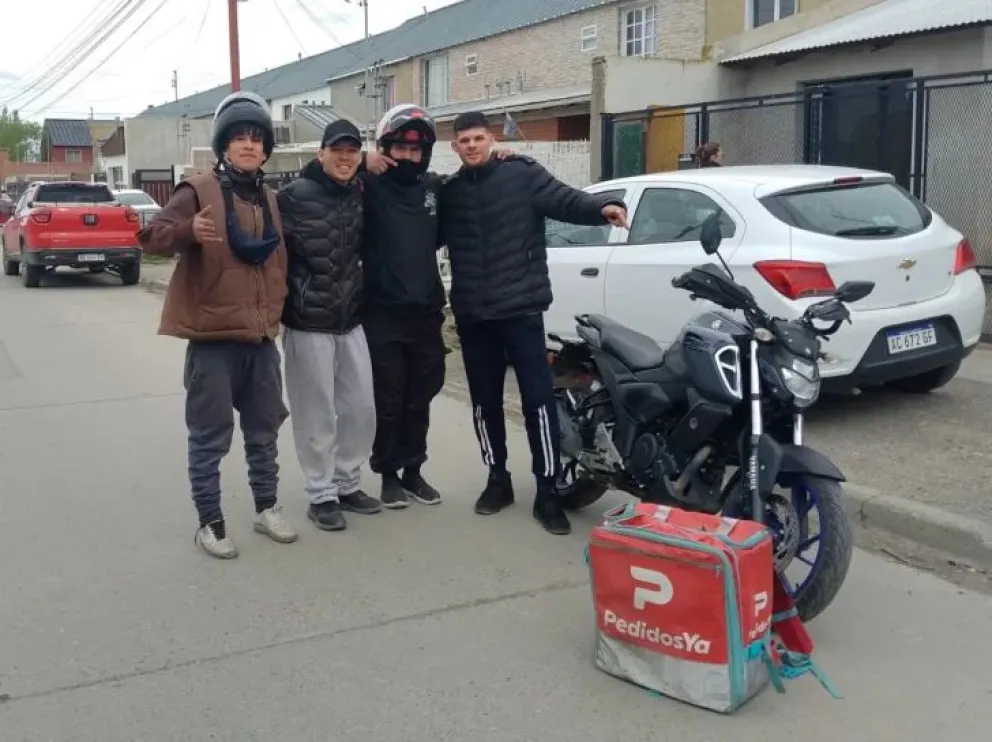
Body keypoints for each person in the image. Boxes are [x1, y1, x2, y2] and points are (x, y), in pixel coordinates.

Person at [438, 111, 628, 536]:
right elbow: (417, 228)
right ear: (454, 147)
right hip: (474, 314)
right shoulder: (449, 192)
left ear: (490, 139)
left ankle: (547, 490)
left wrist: (604, 207)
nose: (471, 146)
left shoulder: (521, 174)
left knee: (538, 402)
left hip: (521, 310)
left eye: (478, 138)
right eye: (463, 140)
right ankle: (497, 480)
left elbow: (566, 199)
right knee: (485, 403)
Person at [137, 91, 296, 559]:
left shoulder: (270, 197)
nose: (248, 145)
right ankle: (210, 520)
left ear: (266, 149)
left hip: (262, 338)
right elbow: (150, 237)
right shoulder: (197, 190)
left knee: (264, 431)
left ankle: (266, 507)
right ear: (224, 145)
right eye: (239, 138)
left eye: (256, 139)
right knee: (209, 437)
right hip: (213, 343)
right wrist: (188, 233)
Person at [277, 119, 381, 532]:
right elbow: (273, 256)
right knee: (315, 413)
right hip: (308, 322)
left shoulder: (360, 192)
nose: (344, 157)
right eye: (336, 149)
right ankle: (321, 493)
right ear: (320, 153)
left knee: (360, 409)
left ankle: (346, 483)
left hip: (351, 318)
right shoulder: (292, 197)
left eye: (352, 150)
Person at [359, 104, 448, 509]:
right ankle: (388, 475)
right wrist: (361, 161)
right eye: (400, 149)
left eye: (417, 150)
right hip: (382, 312)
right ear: (385, 148)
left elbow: (478, 183)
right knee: (389, 399)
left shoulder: (434, 189)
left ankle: (414, 471)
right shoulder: (367, 184)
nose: (409, 157)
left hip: (426, 311)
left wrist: (502, 156)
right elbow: (317, 173)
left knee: (420, 397)